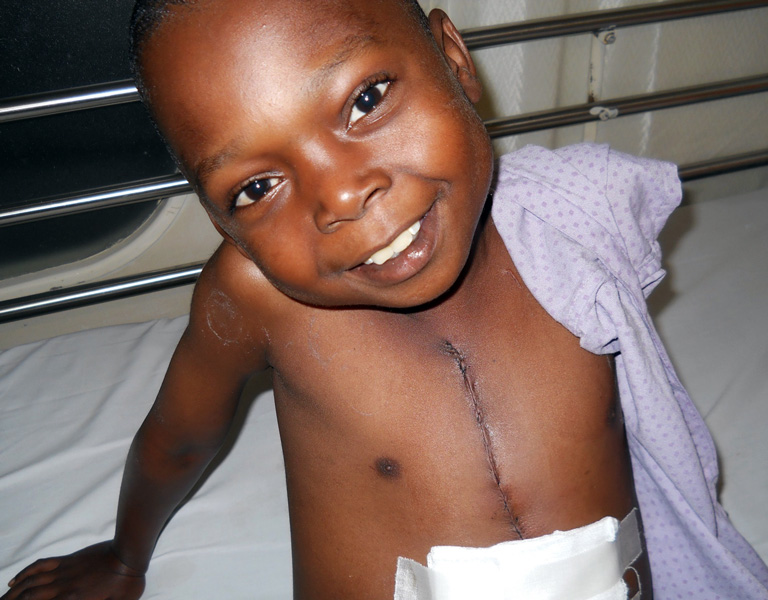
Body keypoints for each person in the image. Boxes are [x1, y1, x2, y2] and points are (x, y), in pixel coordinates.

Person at [4, 1, 768, 599]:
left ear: (454, 60)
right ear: (221, 225)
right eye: (256, 187)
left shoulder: (571, 233)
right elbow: (178, 438)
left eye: (365, 99)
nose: (341, 195)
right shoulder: (259, 299)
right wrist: (125, 555)